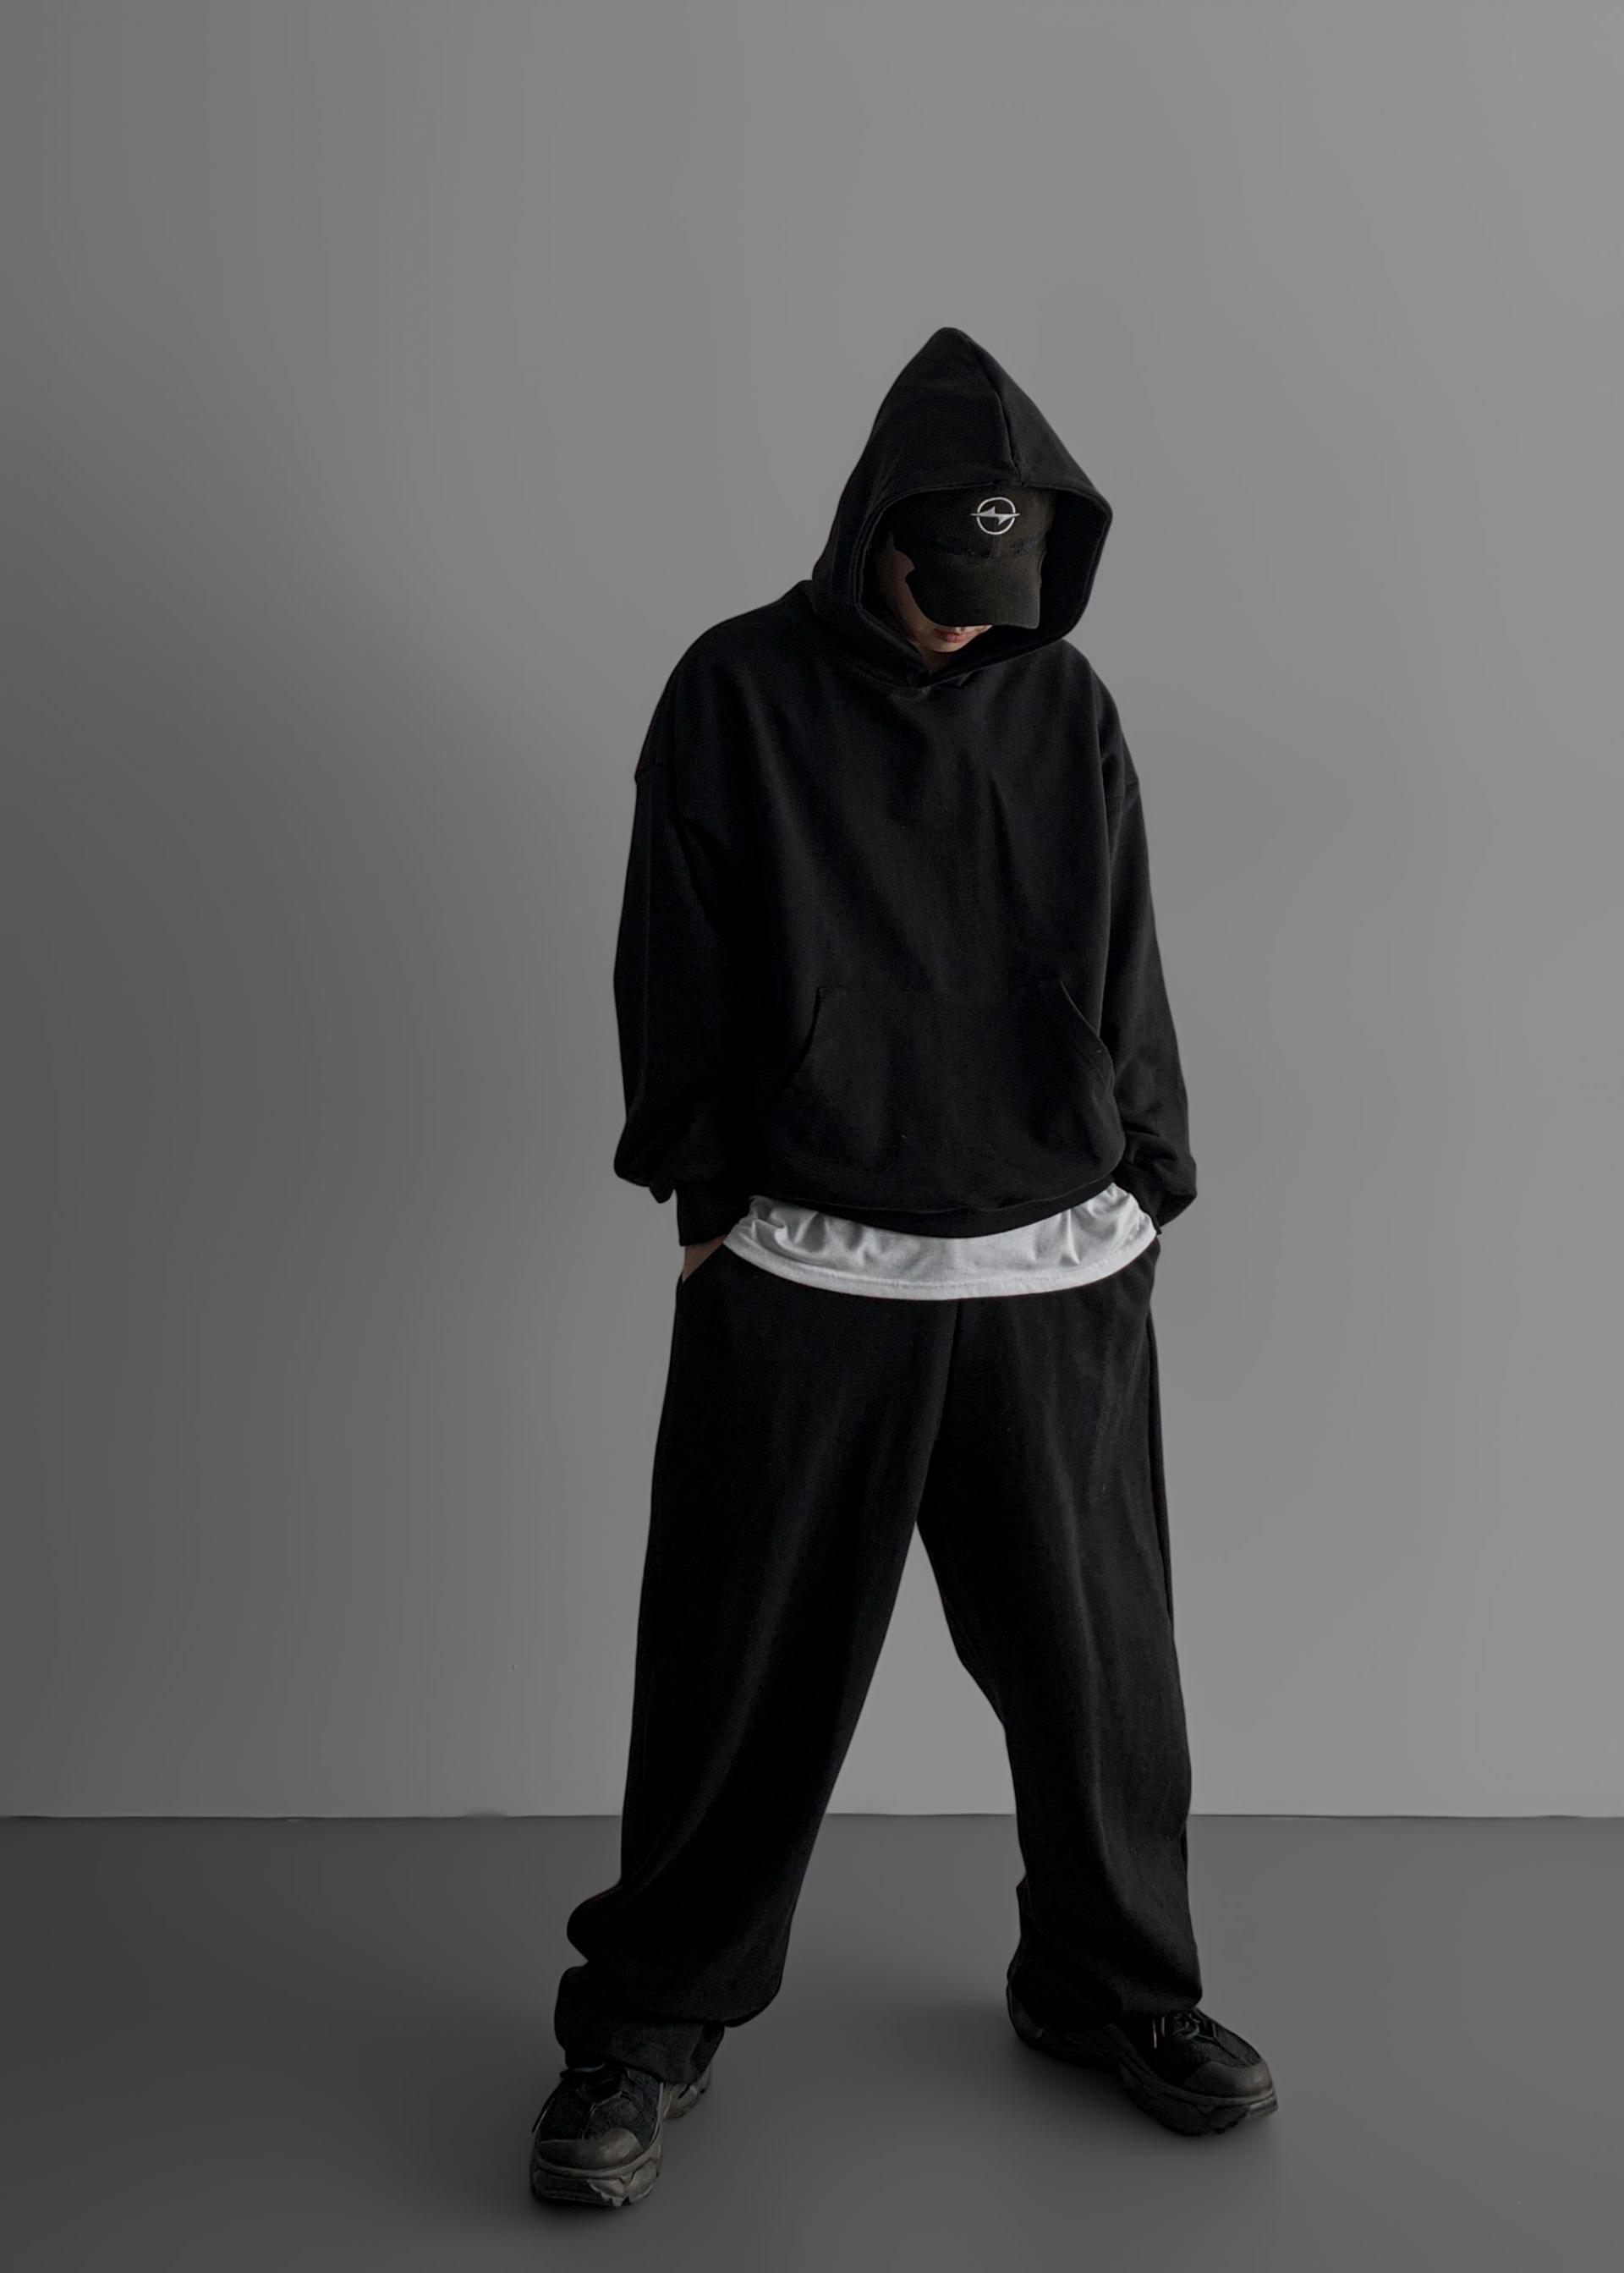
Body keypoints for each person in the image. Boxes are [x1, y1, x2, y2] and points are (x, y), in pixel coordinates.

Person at [529, 326, 1276, 2210]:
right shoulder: (735, 690)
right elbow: (672, 948)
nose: (963, 623)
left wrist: (1150, 1173)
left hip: (1052, 1266)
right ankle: (650, 2021)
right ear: (873, 531)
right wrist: (703, 1192)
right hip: (809, 1266)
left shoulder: (1063, 701)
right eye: (942, 584)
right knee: (738, 1674)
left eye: (999, 597)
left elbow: (1126, 947)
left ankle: (1114, 1989)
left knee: (1102, 1676)